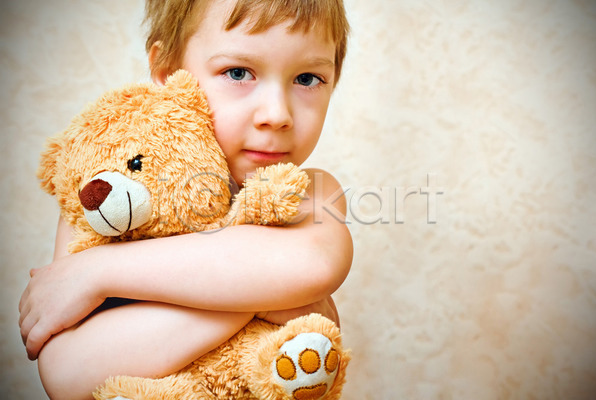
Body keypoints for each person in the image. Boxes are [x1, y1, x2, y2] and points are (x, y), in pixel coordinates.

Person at [19, 0, 352, 399]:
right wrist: (265, 298)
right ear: (167, 73)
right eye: (238, 72)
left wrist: (96, 273)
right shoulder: (112, 195)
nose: (277, 113)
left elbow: (314, 264)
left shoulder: (308, 191)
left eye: (307, 78)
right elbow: (68, 375)